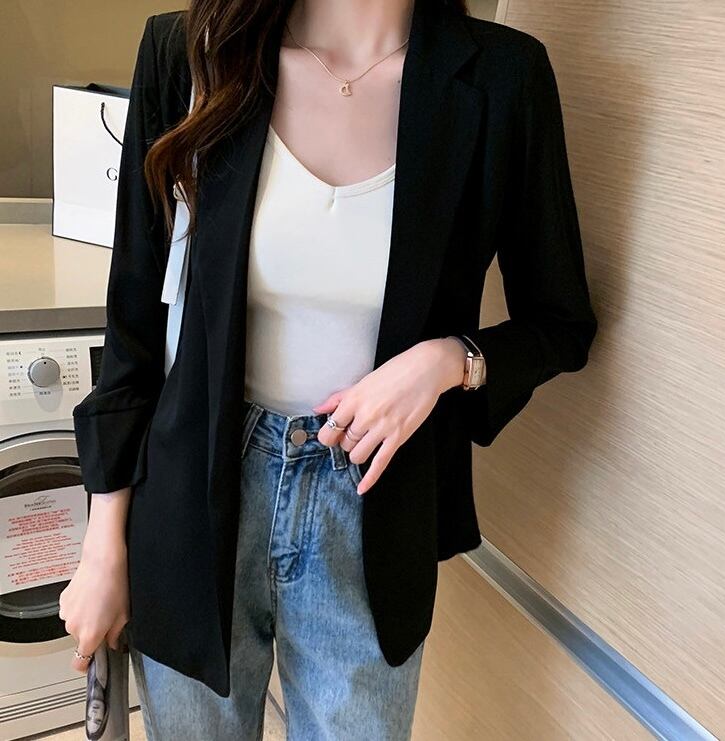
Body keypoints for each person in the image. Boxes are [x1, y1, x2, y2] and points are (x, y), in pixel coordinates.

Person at [59, 0, 598, 738]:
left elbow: (560, 324)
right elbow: (134, 328)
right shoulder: (192, 52)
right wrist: (102, 548)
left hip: (371, 501)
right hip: (193, 496)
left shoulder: (502, 78)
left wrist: (447, 361)